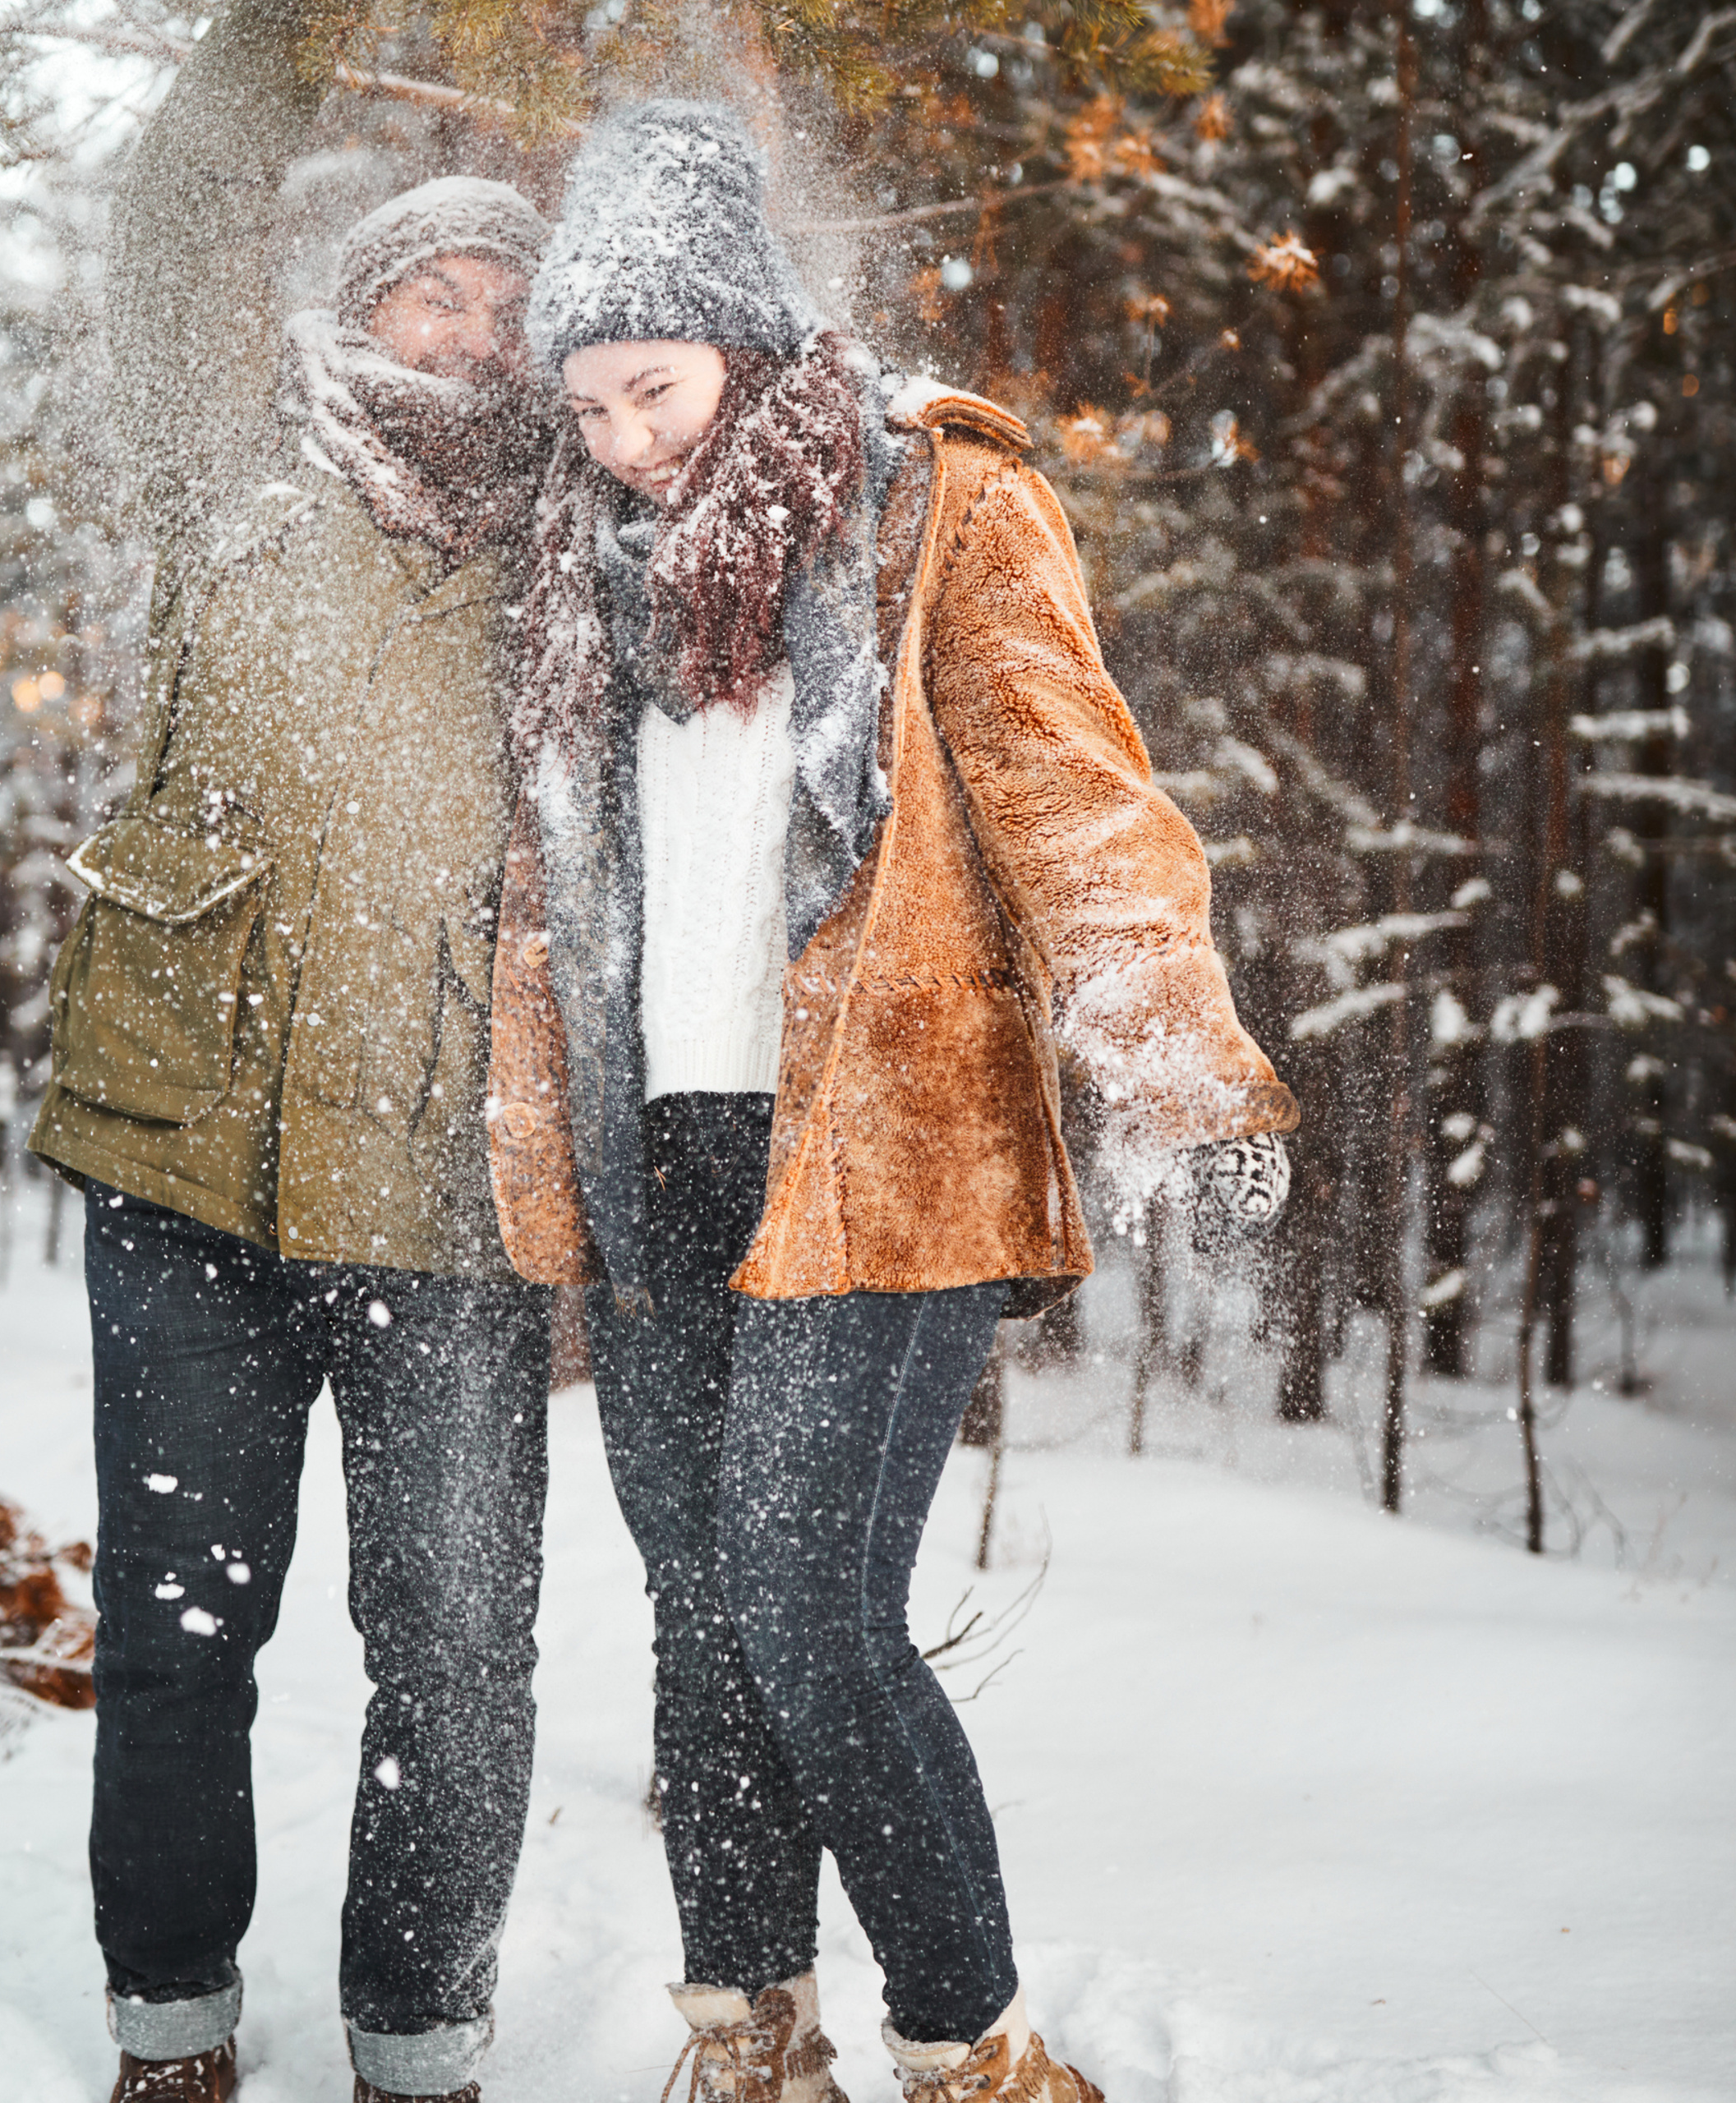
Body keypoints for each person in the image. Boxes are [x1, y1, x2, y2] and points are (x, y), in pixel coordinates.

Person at [487, 103, 1297, 2103]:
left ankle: (973, 2050)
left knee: (805, 1611)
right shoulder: (576, 563)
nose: (622, 439)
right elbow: (552, 888)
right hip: (658, 1144)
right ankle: (747, 2038)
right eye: (585, 405)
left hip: (891, 1144)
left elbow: (1069, 793)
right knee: (704, 1613)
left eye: (651, 388)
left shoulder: (933, 501)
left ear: (744, 341)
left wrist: (1177, 1060)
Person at [29, 7, 555, 2100]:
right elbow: (171, 228)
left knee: (454, 1651)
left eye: (515, 299)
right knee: (178, 1637)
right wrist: (283, 30)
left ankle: (417, 2042)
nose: (473, 325)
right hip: (187, 1164)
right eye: (435, 281)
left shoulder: (584, 544)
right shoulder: (230, 458)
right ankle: (174, 2028)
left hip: (446, 1187)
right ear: (357, 302)